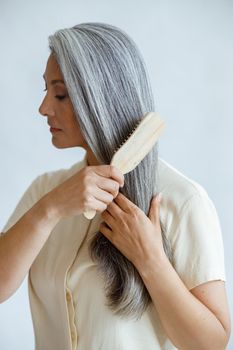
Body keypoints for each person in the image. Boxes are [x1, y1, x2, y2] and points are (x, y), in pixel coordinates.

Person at [0, 22, 231, 350]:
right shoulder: (45, 192)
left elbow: (210, 344)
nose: (44, 108)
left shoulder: (183, 201)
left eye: (61, 94)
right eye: (46, 91)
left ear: (101, 97)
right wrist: (50, 210)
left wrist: (150, 258)